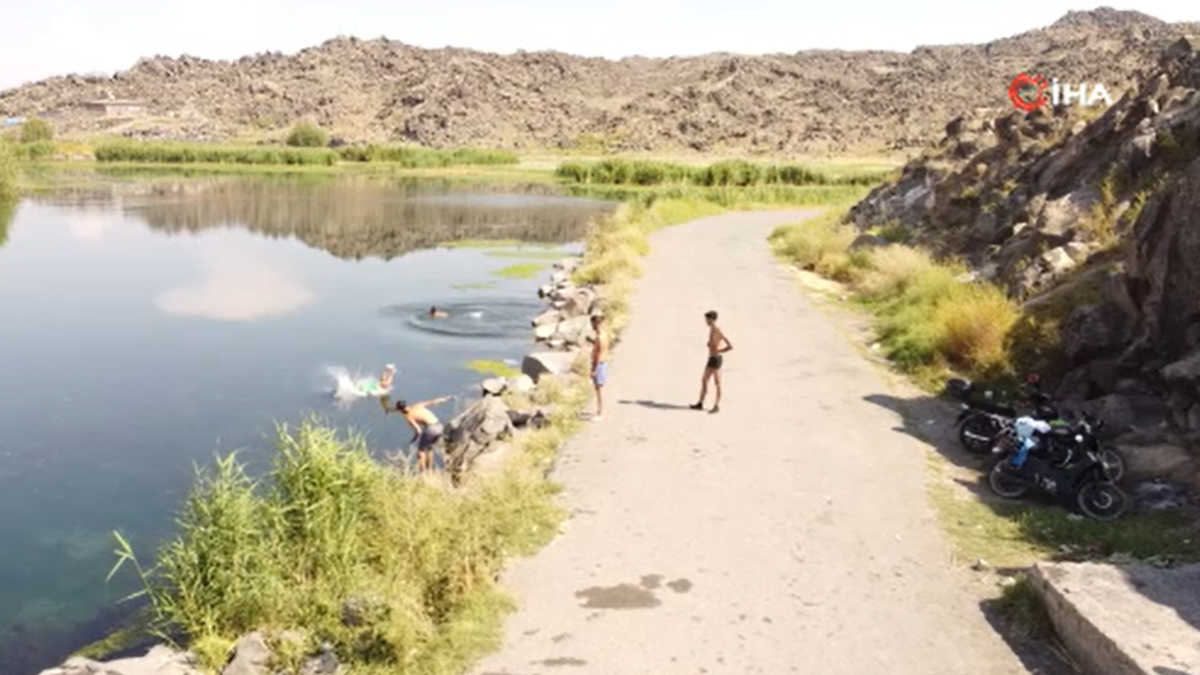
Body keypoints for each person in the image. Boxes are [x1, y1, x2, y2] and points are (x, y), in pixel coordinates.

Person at [392, 395, 455, 472]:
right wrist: (447, 398)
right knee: (429, 448)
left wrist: (414, 439)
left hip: (431, 429)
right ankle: (430, 469)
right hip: (439, 426)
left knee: (421, 451)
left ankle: (423, 473)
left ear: (400, 411)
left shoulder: (408, 417)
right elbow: (433, 402)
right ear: (407, 405)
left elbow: (418, 431)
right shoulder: (417, 405)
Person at [690, 310, 732, 414]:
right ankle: (702, 403)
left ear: (712, 319)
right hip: (712, 358)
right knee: (706, 381)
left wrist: (719, 350)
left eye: (707, 319)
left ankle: (715, 405)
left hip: (715, 358)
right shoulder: (712, 330)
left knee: (715, 382)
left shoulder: (717, 330)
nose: (706, 321)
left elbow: (730, 346)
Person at [590, 314, 609, 421]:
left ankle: (600, 412)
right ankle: (599, 410)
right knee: (599, 389)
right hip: (603, 363)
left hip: (599, 364)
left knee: (599, 390)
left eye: (592, 324)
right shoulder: (604, 334)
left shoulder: (599, 337)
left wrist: (594, 369)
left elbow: (599, 354)